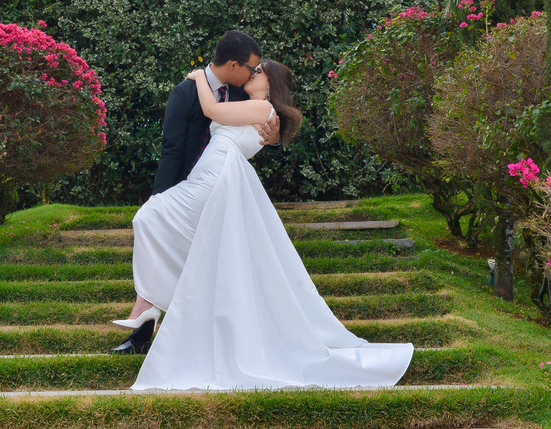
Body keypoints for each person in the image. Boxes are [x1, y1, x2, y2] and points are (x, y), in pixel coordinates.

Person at [124, 57, 414, 391]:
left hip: (215, 179)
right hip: (211, 175)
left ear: (270, 83)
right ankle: (152, 305)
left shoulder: (262, 109)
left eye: (258, 71)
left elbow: (214, 113)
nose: (251, 73)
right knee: (166, 228)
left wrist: (197, 77)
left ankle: (151, 305)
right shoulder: (253, 105)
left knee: (150, 216)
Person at [109, 30, 279, 355]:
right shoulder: (185, 93)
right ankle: (145, 333)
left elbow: (268, 117)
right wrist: (162, 196)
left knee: (202, 262)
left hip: (220, 190)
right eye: (250, 68)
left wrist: (276, 137)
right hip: (189, 188)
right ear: (233, 64)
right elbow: (171, 149)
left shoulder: (242, 95)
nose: (252, 74)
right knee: (164, 241)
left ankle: (198, 334)